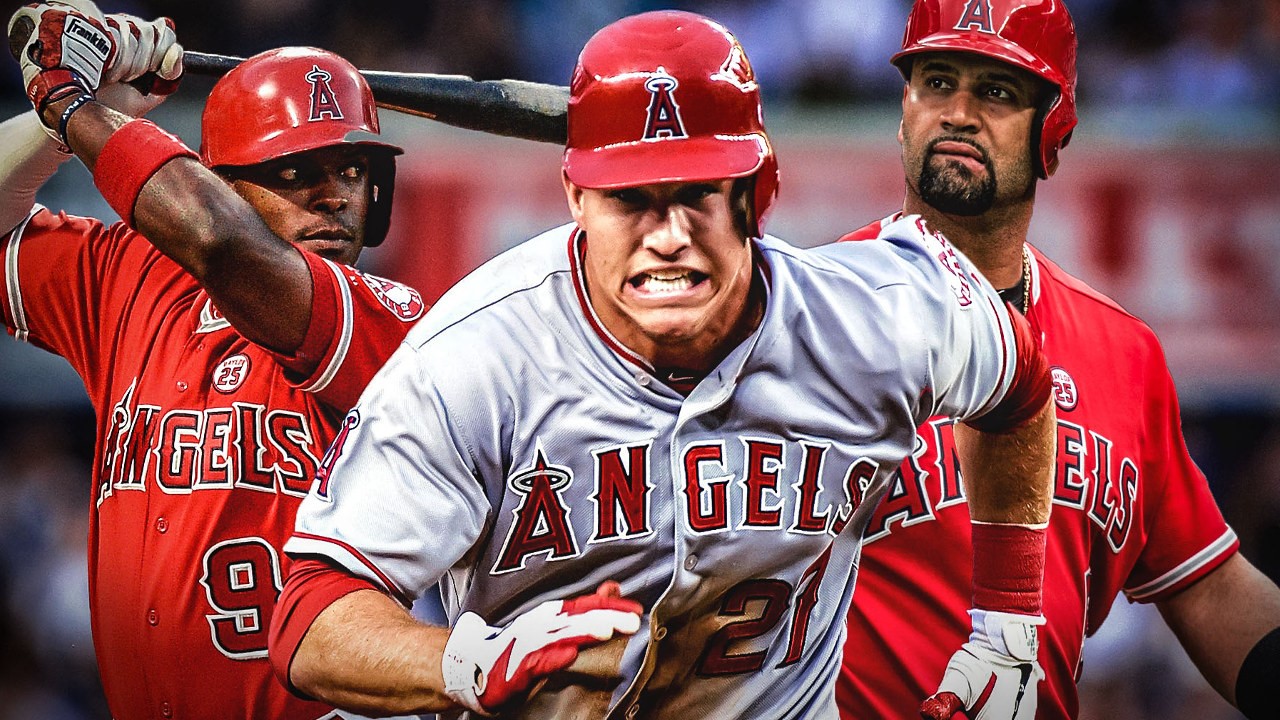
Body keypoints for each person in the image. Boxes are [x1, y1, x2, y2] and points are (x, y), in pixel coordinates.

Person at [266, 10, 1058, 720]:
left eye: (698, 193)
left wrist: (1008, 627)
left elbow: (1020, 387)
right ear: (575, 197)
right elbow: (311, 616)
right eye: (629, 198)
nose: (668, 235)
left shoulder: (883, 313)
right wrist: (470, 662)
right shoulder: (474, 356)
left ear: (760, 190)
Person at [834, 1, 1280, 719]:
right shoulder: (807, 313)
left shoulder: (1124, 353)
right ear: (903, 109)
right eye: (937, 82)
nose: (959, 113)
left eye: (997, 92)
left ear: (1054, 130)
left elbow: (1208, 585)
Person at [2, 3, 427, 718]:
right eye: (293, 170)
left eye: (352, 169)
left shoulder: (391, 321)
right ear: (221, 182)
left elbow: (223, 244)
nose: (333, 196)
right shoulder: (131, 278)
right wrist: (59, 127)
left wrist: (75, 106)